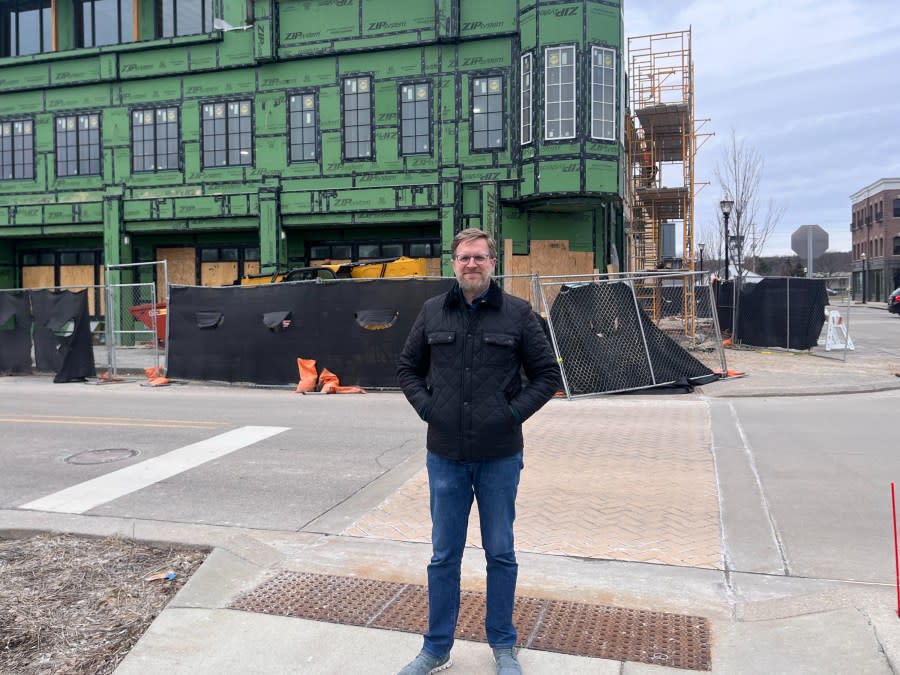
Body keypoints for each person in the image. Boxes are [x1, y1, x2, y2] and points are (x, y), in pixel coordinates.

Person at [396, 228, 561, 674]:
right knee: (443, 556)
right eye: (464, 257)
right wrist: (430, 410)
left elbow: (547, 375)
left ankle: (503, 646)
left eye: (480, 257)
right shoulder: (433, 312)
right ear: (453, 264)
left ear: (493, 263)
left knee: (500, 553)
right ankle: (436, 649)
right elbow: (407, 369)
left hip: (499, 457)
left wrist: (511, 415)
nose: (472, 264)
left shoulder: (519, 314)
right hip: (445, 455)